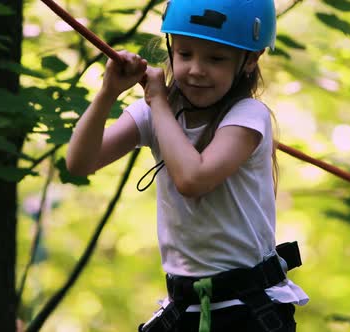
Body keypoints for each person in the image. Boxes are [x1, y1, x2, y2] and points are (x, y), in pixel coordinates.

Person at [66, 0, 308, 331]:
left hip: (246, 311)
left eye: (216, 58)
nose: (196, 69)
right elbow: (80, 162)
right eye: (185, 54)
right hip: (186, 309)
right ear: (171, 49)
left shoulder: (249, 116)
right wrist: (108, 92)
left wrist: (159, 102)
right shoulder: (155, 113)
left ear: (250, 60)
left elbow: (193, 179)